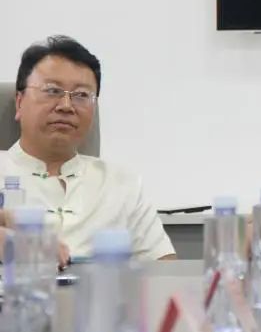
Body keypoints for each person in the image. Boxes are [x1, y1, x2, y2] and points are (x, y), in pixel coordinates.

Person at [0, 36, 175, 262]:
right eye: (52, 90)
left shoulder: (122, 183)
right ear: (19, 102)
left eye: (82, 95)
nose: (66, 106)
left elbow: (163, 268)